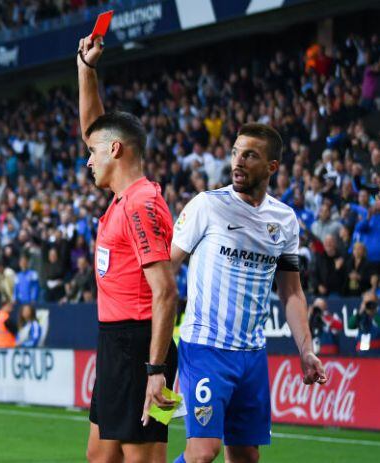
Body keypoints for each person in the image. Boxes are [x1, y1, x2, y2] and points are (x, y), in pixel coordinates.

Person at [171, 123, 327, 463]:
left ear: (272, 167)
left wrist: (306, 350)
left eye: (250, 155)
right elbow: (166, 268)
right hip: (205, 347)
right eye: (235, 153)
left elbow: (292, 293)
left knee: (245, 457)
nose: (238, 162)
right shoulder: (206, 206)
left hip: (252, 355)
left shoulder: (284, 220)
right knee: (202, 453)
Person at [78, 35, 178, 463]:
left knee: (143, 459)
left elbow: (166, 291)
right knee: (100, 457)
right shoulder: (125, 197)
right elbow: (94, 131)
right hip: (115, 340)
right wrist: (86, 69)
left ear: (115, 151)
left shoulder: (140, 204)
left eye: (94, 153)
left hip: (139, 346)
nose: (88, 160)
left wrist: (155, 370)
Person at [348, 291, 380, 355]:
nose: (369, 305)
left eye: (371, 302)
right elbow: (350, 326)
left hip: (377, 352)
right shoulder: (360, 315)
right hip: (362, 352)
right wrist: (360, 312)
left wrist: (374, 314)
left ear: (376, 302)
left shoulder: (378, 314)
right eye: (366, 302)